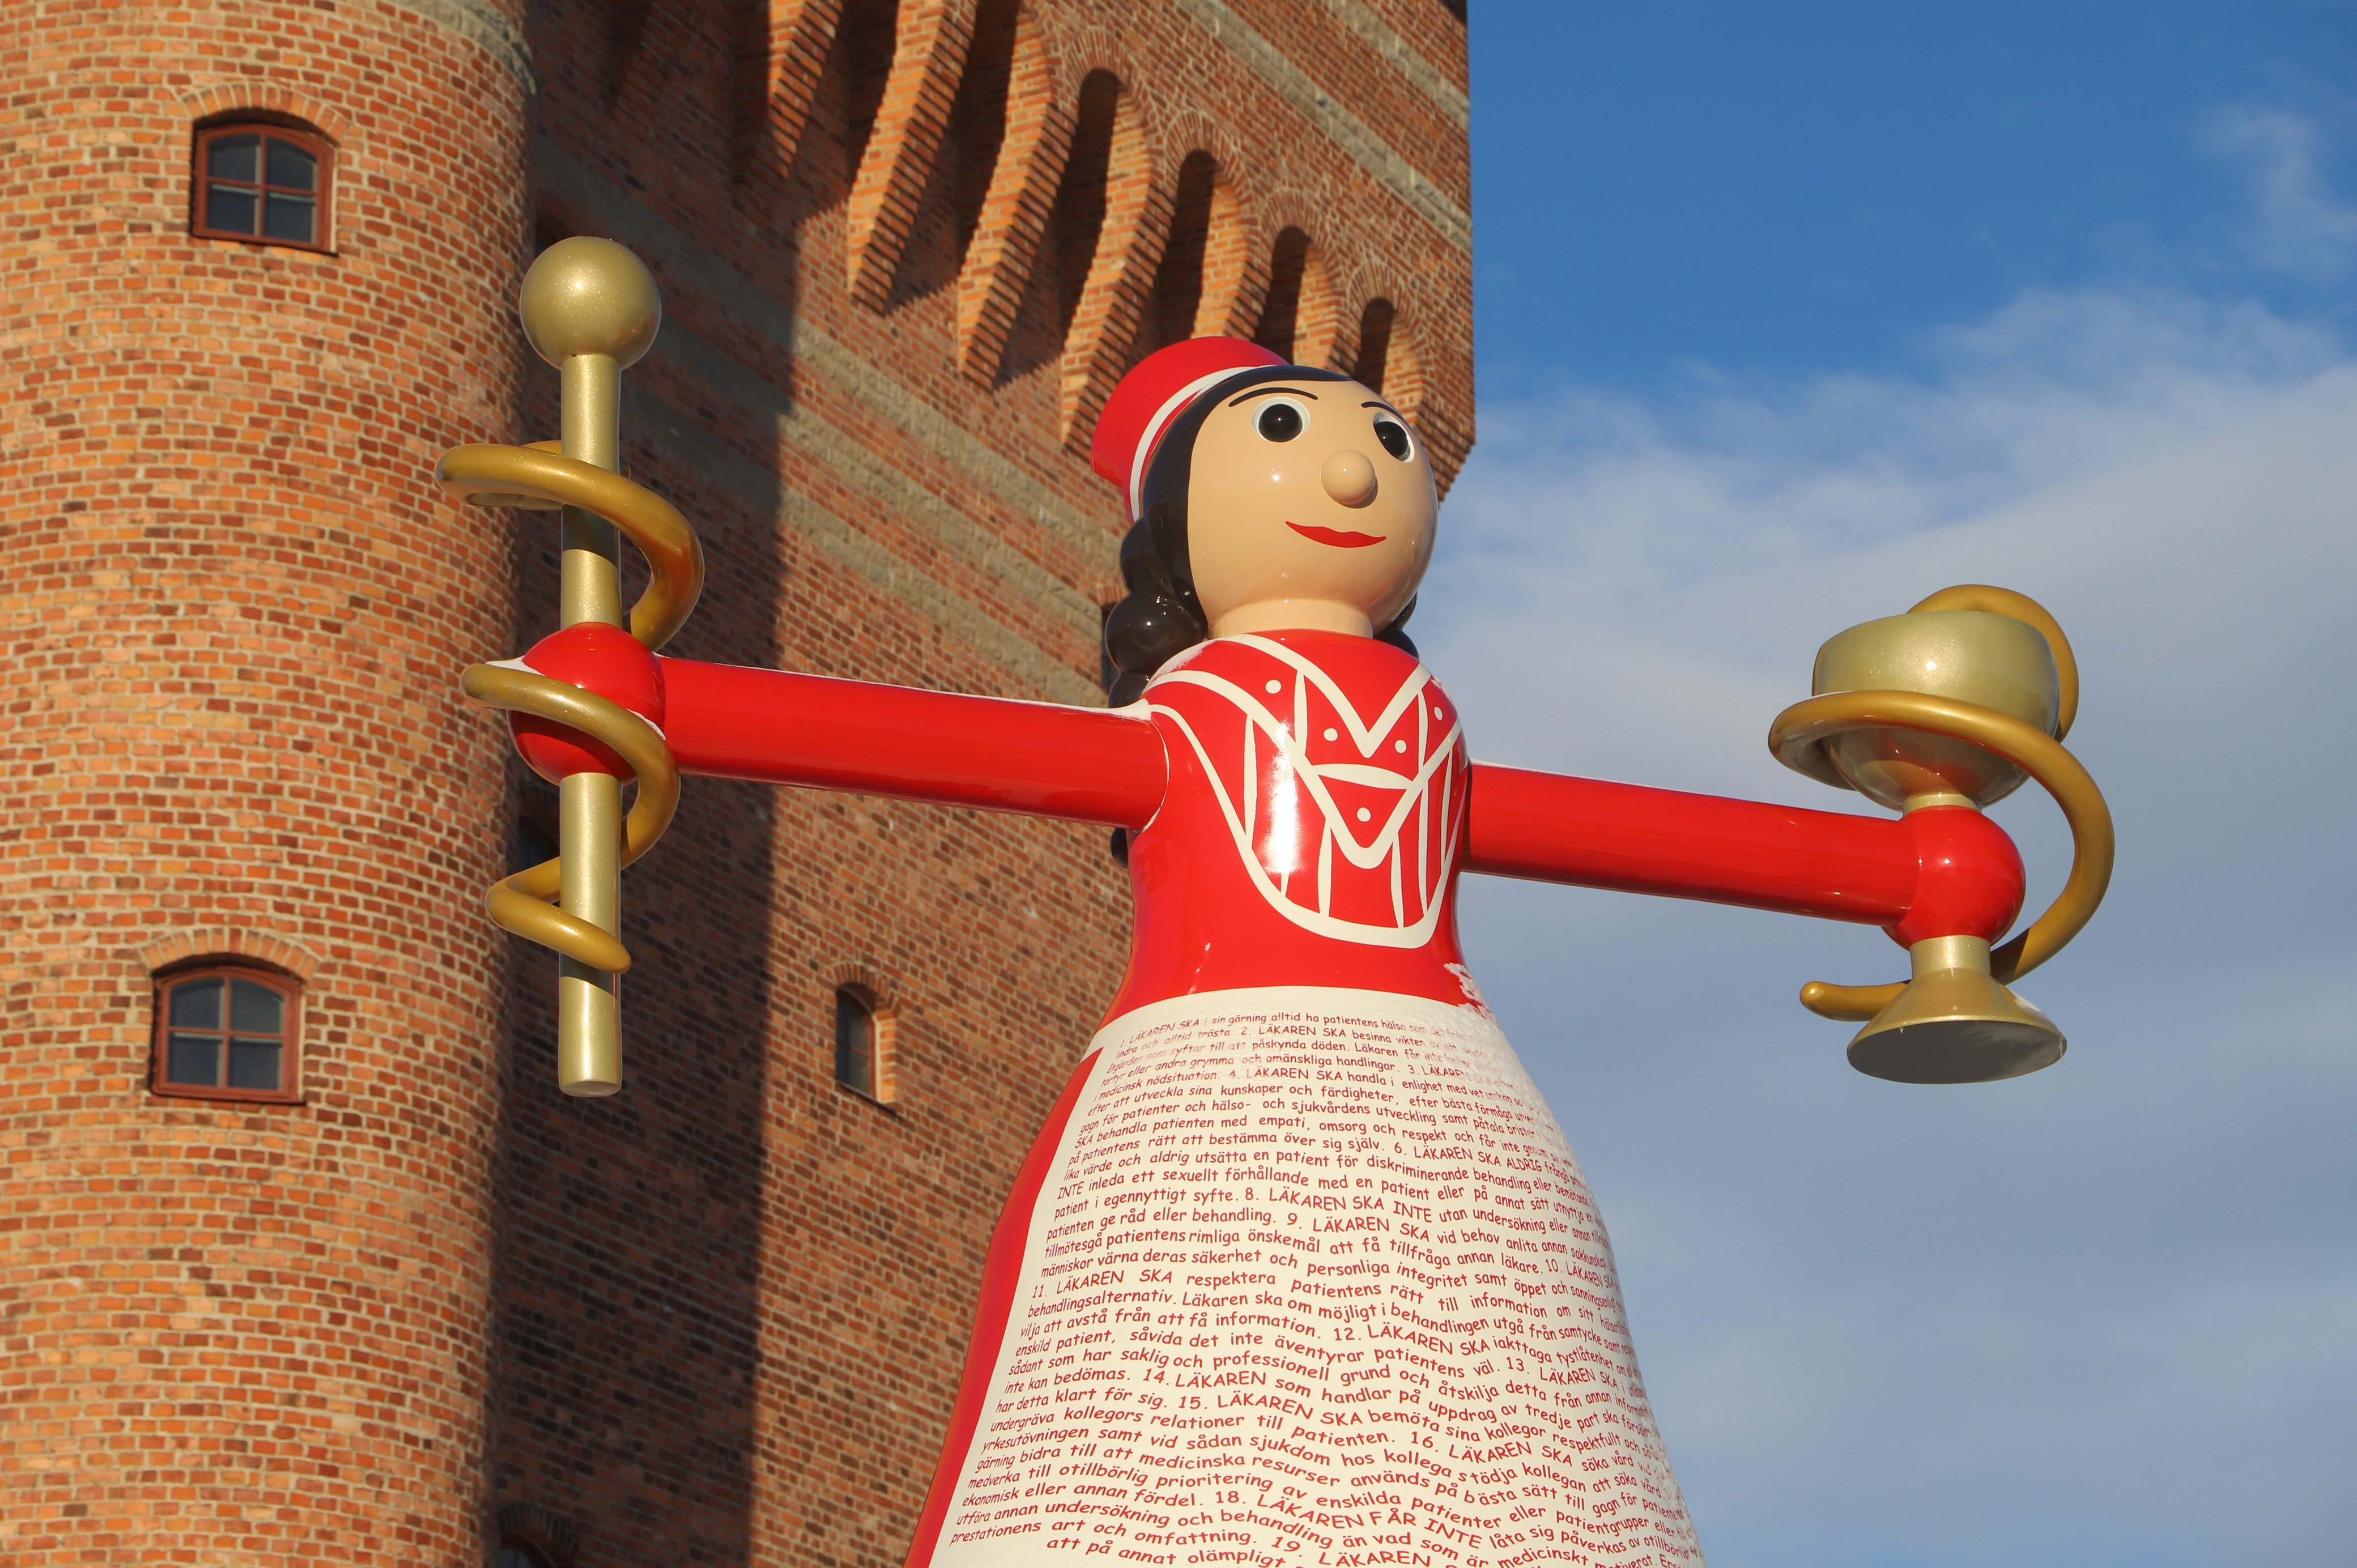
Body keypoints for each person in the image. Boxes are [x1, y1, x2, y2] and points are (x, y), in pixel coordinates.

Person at [520, 336, 2012, 1567]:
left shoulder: (1423, 732)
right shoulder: (1186, 723)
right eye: (1292, 432)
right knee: (1171, 1414)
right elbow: (924, 739)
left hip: (1451, 1125)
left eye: (1383, 439)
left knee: (1508, 1431)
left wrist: (1909, 867)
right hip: (1218, 1107)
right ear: (1179, 521)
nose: (1356, 471)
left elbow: (1635, 835)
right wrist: (646, 704)